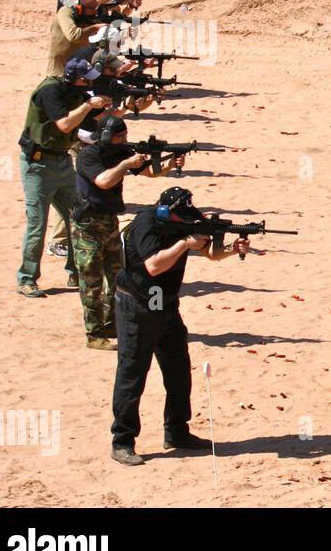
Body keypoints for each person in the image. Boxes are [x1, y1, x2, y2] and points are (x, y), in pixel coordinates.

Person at [110, 187, 249, 465]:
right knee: (133, 374)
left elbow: (212, 253)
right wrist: (185, 243)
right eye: (181, 218)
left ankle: (177, 432)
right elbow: (154, 266)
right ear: (166, 212)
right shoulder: (146, 224)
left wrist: (233, 249)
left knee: (178, 371)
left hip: (165, 306)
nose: (185, 222)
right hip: (136, 306)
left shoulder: (183, 222)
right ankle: (122, 441)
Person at [73, 117, 182, 350]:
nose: (124, 140)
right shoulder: (88, 156)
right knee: (91, 279)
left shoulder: (121, 153)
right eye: (119, 137)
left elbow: (152, 173)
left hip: (109, 222)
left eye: (124, 136)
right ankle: (94, 333)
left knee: (117, 277)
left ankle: (112, 323)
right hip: (88, 225)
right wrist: (126, 164)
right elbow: (103, 181)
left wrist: (170, 162)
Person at [17, 58, 112, 297]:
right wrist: (90, 104)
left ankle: (76, 272)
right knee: (37, 225)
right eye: (84, 80)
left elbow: (91, 123)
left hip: (62, 161)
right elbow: (64, 125)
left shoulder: (76, 94)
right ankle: (27, 279)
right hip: (38, 165)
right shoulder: (50, 91)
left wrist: (121, 105)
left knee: (78, 217)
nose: (86, 85)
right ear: (70, 78)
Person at [47, 0, 108, 78]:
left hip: (81, 70)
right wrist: (94, 27)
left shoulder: (86, 16)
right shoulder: (65, 12)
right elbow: (73, 36)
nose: (95, 12)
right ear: (80, 8)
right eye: (91, 9)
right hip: (60, 72)